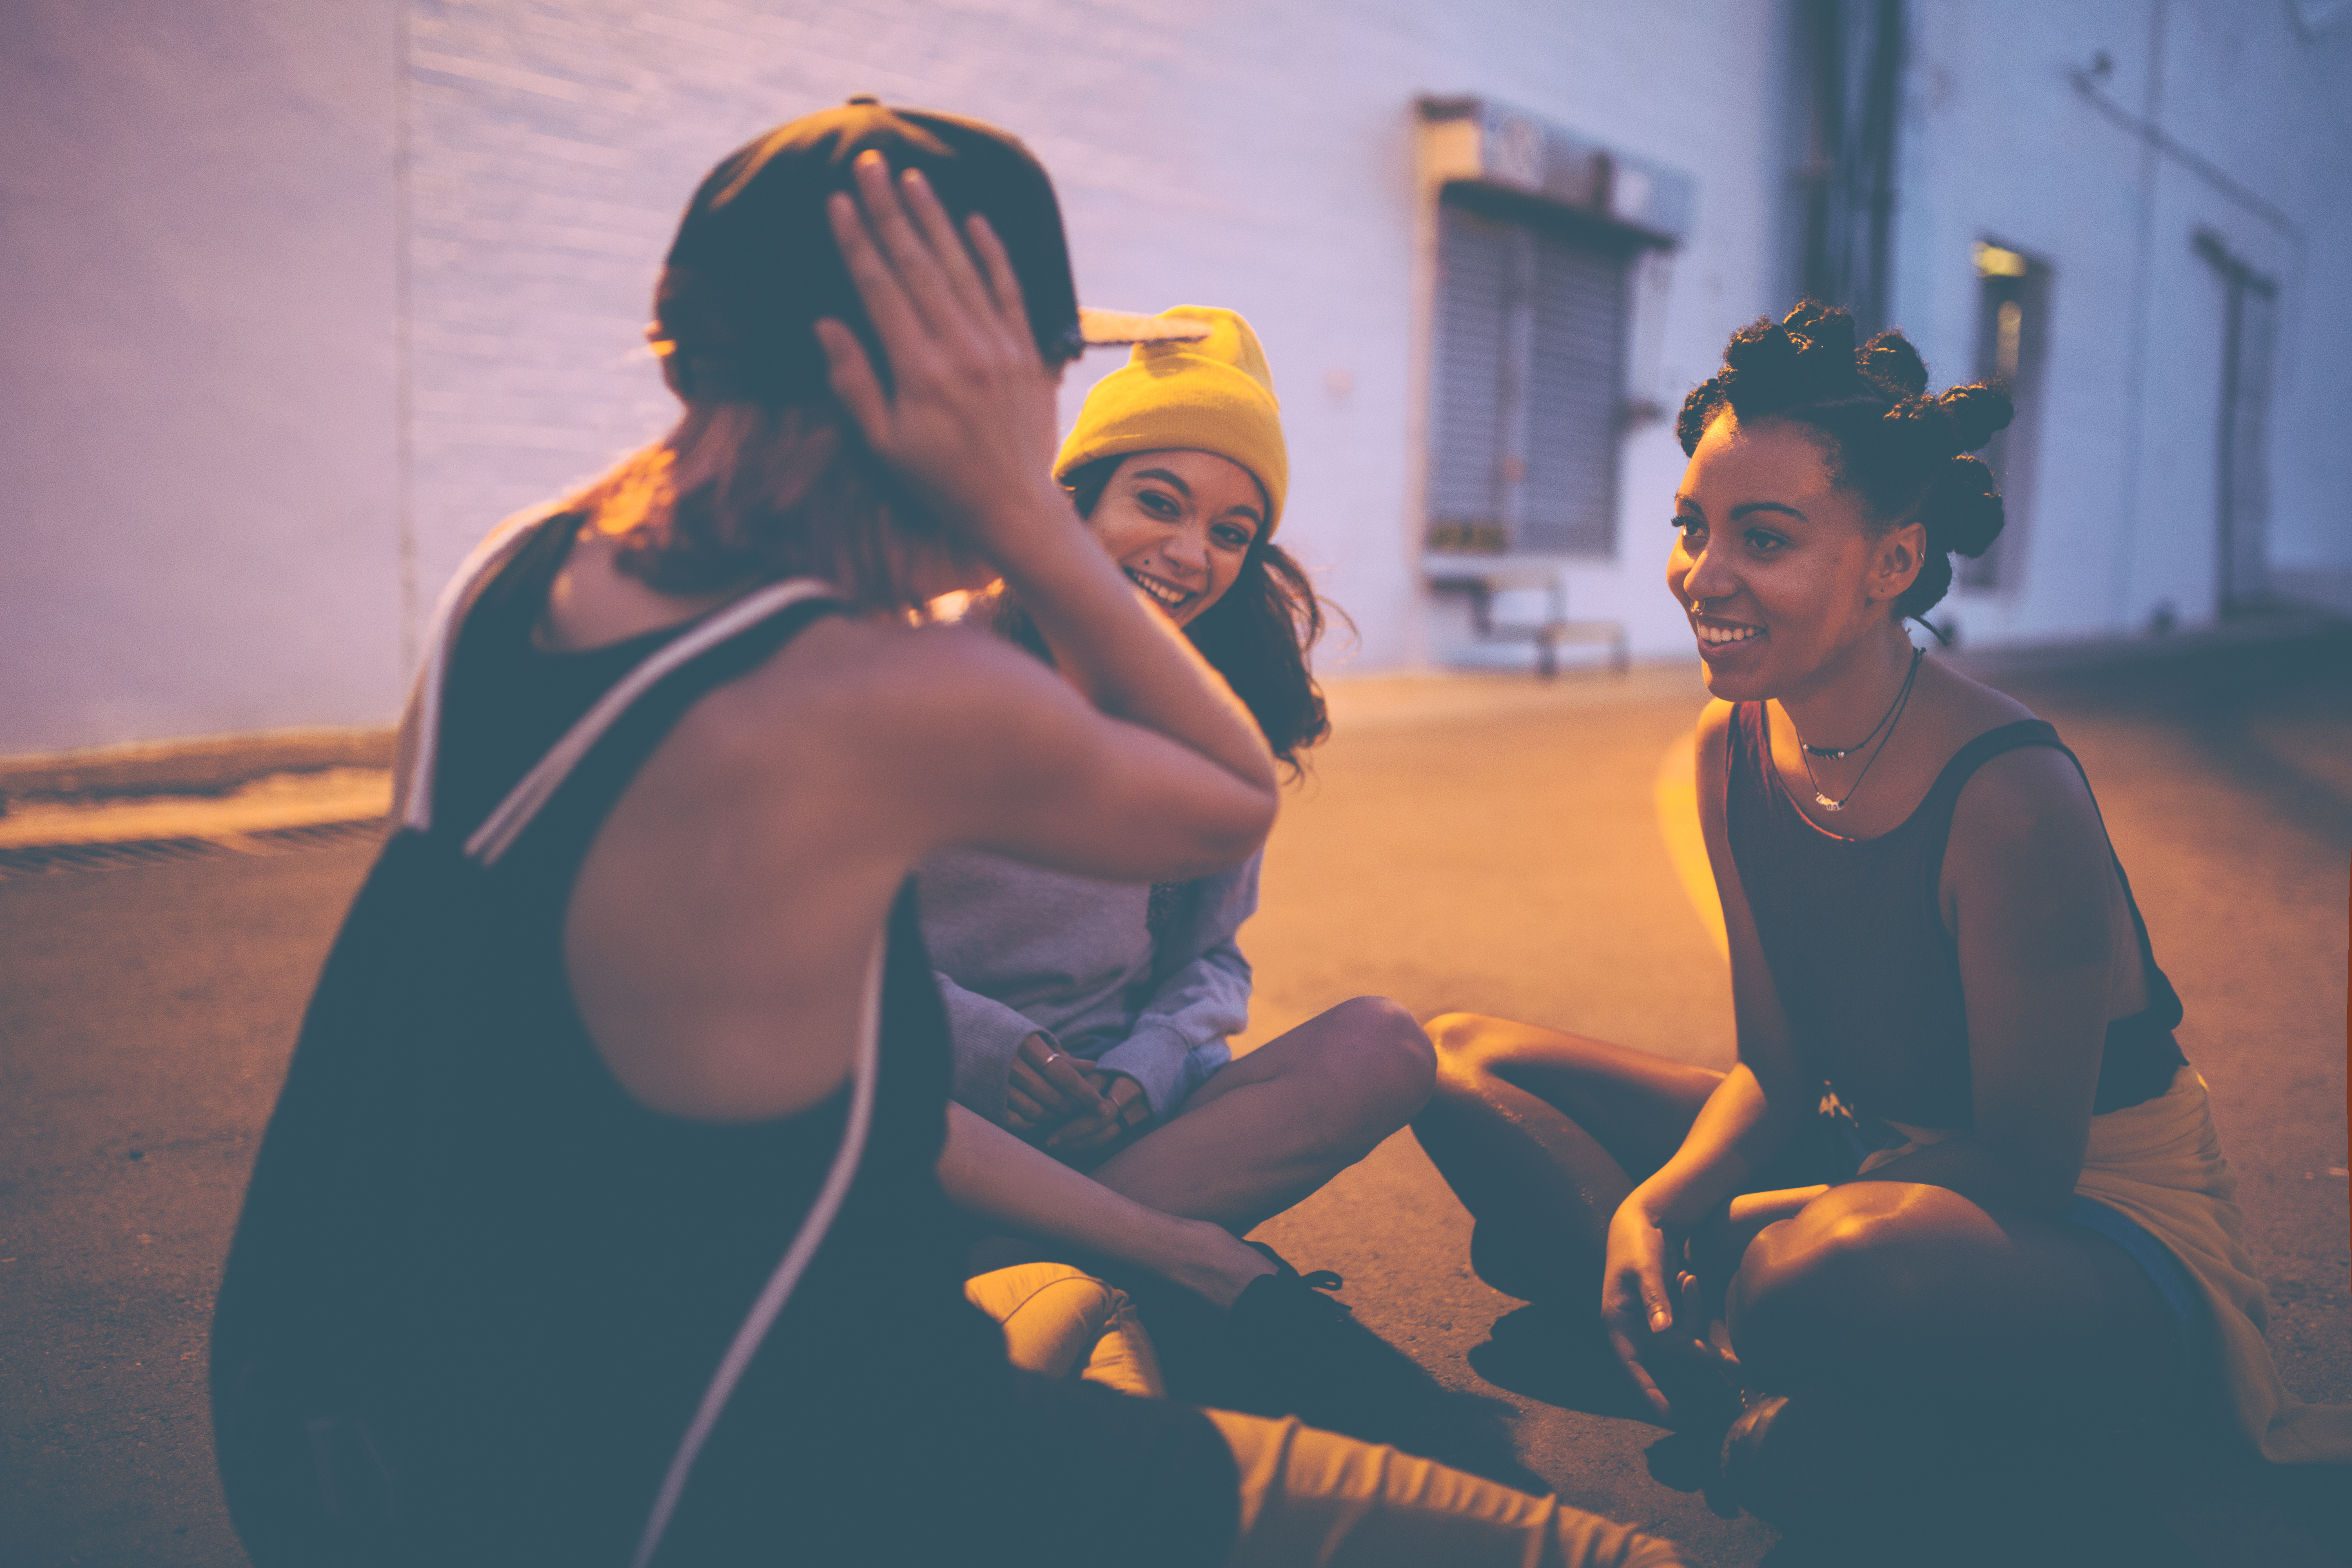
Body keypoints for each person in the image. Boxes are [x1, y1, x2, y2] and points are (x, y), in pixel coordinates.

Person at [209, 99, 1685, 1568]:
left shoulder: (523, 570)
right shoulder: (883, 684)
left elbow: (838, 1098)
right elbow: (1225, 788)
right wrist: (1021, 517)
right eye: (1044, 374)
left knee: (1107, 1300)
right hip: (681, 1465)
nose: (1045, 410)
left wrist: (1145, 1119)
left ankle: (1112, 1277)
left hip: (337, 1423)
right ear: (947, 388)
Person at [1413, 302, 2351, 1501]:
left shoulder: (2012, 797)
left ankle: (1773, 1339)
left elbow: (2026, 1161)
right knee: (1454, 1064)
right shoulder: (1730, 746)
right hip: (1867, 1147)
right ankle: (1722, 1329)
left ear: (1891, 564)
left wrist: (1760, 1220)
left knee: (1824, 1271)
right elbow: (1775, 1073)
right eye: (1692, 528)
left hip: (2087, 1226)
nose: (1705, 576)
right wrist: (1656, 1206)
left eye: (1765, 539)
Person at [922, 303, 1432, 1243]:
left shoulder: (1213, 718)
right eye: (1158, 503)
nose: (1193, 554)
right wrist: (984, 1048)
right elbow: (810, 943)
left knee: (1385, 1045)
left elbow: (1210, 956)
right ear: (1075, 496)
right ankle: (1104, 1253)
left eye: (1233, 532)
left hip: (1114, 1126)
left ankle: (1039, 1252)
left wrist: (1144, 1071)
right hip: (915, 1097)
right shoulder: (927, 656)